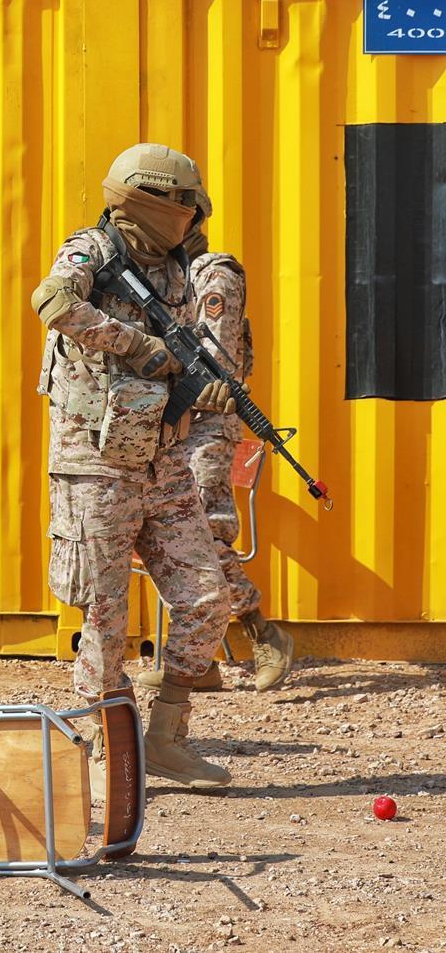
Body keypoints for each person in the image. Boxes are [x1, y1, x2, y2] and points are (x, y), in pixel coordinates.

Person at [31, 142, 233, 788]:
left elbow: (180, 360)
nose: (192, 215)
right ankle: (102, 749)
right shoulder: (90, 250)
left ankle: (166, 739)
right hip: (94, 464)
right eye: (184, 203)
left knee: (207, 599)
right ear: (150, 200)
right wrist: (137, 345)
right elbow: (52, 302)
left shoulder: (179, 270)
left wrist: (205, 388)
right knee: (104, 616)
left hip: (161, 461)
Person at [134, 204, 295, 693]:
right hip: (171, 422)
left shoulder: (213, 275)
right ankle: (199, 661)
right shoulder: (164, 279)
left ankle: (263, 633)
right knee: (170, 536)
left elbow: (214, 360)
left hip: (206, 422)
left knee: (203, 534)